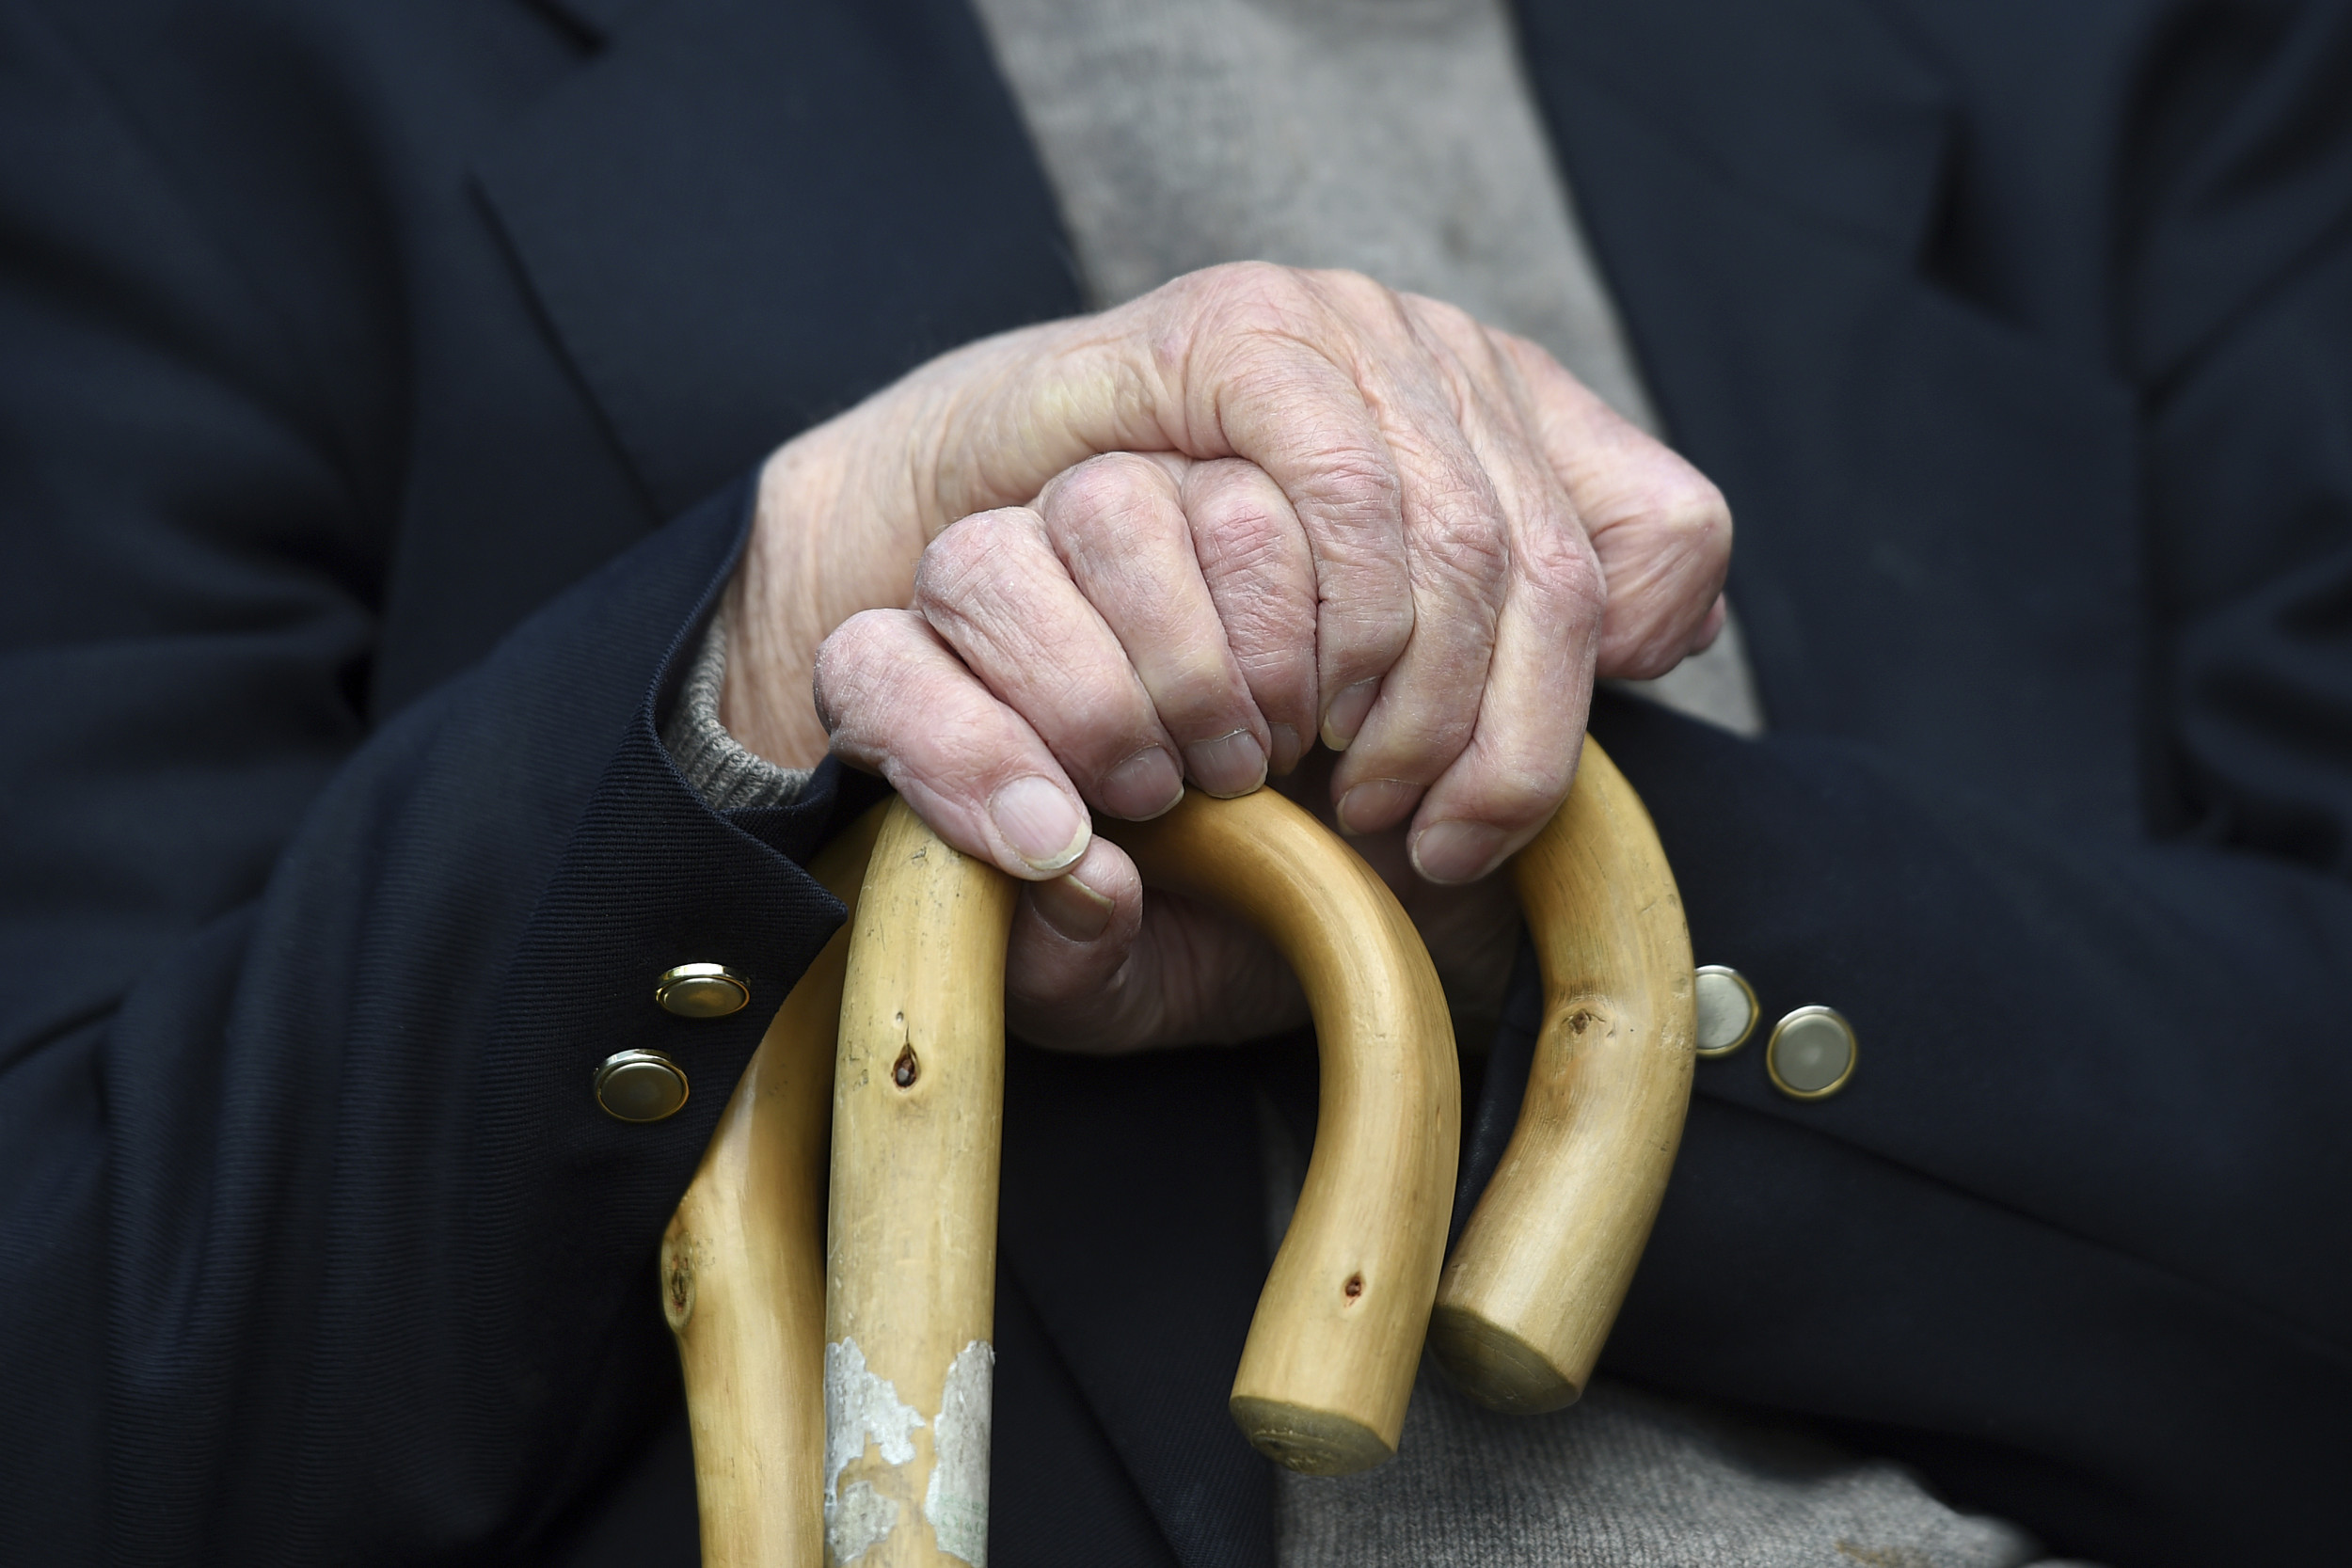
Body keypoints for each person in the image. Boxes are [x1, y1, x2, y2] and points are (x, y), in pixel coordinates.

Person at [2, 1, 2346, 1565]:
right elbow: (89, 1394)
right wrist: (748, 668)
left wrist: (1485, 903)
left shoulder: (2139, 58)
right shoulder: (168, 77)